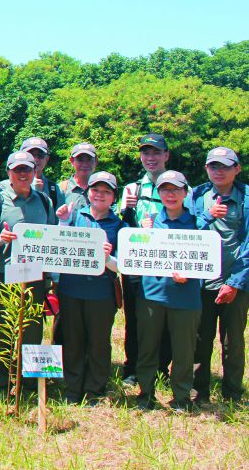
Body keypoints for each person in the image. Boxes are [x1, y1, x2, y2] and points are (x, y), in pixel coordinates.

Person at [0, 151, 57, 393]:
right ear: (9, 174)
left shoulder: (45, 201)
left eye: (27, 169)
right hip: (2, 273)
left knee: (32, 327)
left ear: (35, 172)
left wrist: (52, 277)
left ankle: (29, 379)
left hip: (33, 274)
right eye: (18, 170)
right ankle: (3, 380)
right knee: (3, 327)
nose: (23, 174)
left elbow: (53, 236)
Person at [135, 171, 201, 412]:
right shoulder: (149, 222)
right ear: (158, 193)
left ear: (185, 192)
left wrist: (190, 273)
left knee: (184, 351)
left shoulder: (198, 223)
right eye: (164, 189)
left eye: (175, 189)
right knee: (147, 347)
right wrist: (143, 235)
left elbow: (209, 259)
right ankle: (145, 394)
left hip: (186, 297)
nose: (170, 194)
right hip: (152, 293)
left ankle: (182, 397)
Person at [57, 171, 123, 404]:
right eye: (96, 190)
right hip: (71, 289)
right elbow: (58, 245)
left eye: (107, 192)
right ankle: (73, 388)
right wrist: (63, 220)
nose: (100, 195)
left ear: (114, 197)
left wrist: (107, 258)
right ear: (88, 193)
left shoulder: (119, 225)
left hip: (101, 293)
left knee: (98, 343)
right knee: (72, 341)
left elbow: (121, 266)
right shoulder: (75, 216)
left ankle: (95, 389)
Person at [190, 147, 247, 404]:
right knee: (200, 339)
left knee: (232, 342)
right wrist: (207, 216)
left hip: (236, 284)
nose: (219, 171)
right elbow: (187, 233)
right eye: (213, 166)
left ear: (237, 169)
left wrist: (234, 283)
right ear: (206, 169)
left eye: (225, 166)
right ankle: (198, 391)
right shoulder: (197, 195)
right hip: (202, 283)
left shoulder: (246, 198)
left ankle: (233, 392)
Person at [118, 133, 174, 386]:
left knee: (165, 316)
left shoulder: (179, 186)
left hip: (168, 264)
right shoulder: (131, 189)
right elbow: (122, 228)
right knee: (135, 317)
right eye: (145, 153)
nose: (150, 158)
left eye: (155, 153)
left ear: (166, 156)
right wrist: (126, 209)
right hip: (136, 265)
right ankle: (132, 368)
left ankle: (161, 367)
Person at [19, 137, 65, 208]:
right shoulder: (6, 187)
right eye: (31, 155)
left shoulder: (55, 190)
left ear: (47, 159)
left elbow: (60, 218)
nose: (36, 159)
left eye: (40, 155)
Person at [59, 143, 98, 211]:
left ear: (96, 161)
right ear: (72, 161)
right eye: (80, 160)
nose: (85, 164)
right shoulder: (60, 189)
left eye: (89, 159)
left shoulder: (103, 190)